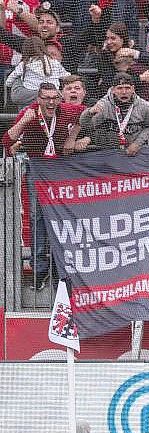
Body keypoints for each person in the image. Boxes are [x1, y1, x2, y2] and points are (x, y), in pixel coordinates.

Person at [2, 82, 84, 290]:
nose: (50, 102)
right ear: (38, 99)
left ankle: (61, 274)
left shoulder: (65, 110)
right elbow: (6, 140)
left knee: (64, 219)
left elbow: (90, 114)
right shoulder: (29, 112)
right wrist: (23, 123)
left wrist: (74, 138)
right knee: (38, 219)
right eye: (46, 98)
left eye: (54, 97)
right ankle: (39, 273)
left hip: (60, 172)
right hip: (37, 171)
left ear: (59, 98)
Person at [79, 73, 149, 155]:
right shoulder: (103, 105)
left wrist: (137, 143)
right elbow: (86, 125)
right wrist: (89, 112)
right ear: (113, 90)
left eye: (127, 88)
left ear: (133, 89)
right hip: (106, 152)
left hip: (132, 152)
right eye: (120, 88)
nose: (124, 92)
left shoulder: (144, 106)